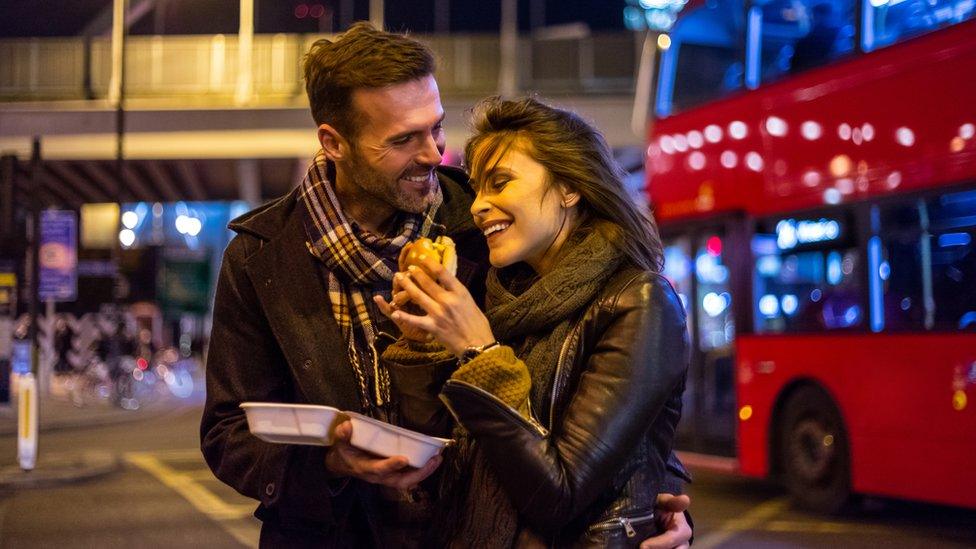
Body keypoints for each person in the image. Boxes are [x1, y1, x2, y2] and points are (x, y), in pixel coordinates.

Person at [200, 22, 693, 547]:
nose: (435, 153)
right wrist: (330, 461)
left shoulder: (481, 226)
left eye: (435, 127)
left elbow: (589, 388)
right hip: (332, 533)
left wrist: (651, 503)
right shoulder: (261, 256)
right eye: (403, 139)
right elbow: (228, 434)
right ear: (334, 143)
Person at [378, 96, 690, 547]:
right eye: (477, 189)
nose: (478, 206)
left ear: (569, 188)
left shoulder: (639, 301)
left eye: (500, 183)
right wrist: (423, 346)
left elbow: (560, 494)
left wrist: (481, 353)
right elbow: (441, 468)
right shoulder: (496, 298)